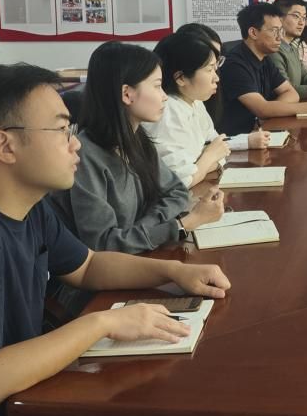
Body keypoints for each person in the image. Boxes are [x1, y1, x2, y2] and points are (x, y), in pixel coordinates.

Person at [0, 64, 231, 416]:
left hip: (21, 407)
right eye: (62, 130)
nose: (75, 144)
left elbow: (88, 266)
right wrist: (101, 324)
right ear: (5, 145)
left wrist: (173, 272)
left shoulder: (24, 204)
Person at [50, 42, 225, 253]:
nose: (164, 96)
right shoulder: (85, 156)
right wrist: (181, 225)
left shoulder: (137, 138)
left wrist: (146, 229)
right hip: (106, 271)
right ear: (127, 94)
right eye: (157, 86)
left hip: (141, 255)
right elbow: (104, 244)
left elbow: (177, 191)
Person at [144, 31, 271, 188]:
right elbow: (180, 181)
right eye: (210, 69)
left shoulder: (194, 102)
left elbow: (220, 148)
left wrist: (205, 161)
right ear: (181, 78)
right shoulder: (168, 111)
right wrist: (209, 156)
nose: (216, 78)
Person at [219, 2, 307, 137]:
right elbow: (262, 109)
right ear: (253, 32)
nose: (279, 37)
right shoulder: (234, 65)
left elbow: (291, 93)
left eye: (280, 31)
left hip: (262, 131)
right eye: (274, 31)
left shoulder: (264, 58)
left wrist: (270, 110)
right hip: (238, 140)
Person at [176, 22, 225, 127]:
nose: (215, 67)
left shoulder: (197, 100)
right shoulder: (172, 110)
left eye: (217, 59)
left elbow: (211, 134)